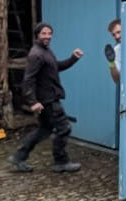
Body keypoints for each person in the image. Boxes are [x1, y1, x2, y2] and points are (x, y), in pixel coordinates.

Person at [10, 22, 84, 173]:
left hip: (46, 99)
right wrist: (33, 101)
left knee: (44, 130)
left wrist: (73, 58)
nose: (47, 36)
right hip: (48, 100)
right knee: (64, 128)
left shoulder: (45, 51)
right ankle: (61, 161)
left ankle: (19, 156)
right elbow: (28, 80)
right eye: (44, 33)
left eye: (49, 33)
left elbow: (56, 66)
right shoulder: (36, 54)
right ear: (37, 35)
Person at [104, 17, 122, 85]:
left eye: (119, 32)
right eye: (113, 35)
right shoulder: (117, 49)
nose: (117, 36)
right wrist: (111, 62)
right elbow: (117, 80)